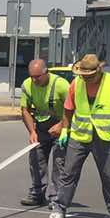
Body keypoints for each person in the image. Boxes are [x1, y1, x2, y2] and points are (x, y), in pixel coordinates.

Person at [50, 53, 110, 218]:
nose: (86, 79)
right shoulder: (76, 83)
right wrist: (64, 129)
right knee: (68, 173)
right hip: (80, 135)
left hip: (104, 137)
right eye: (83, 75)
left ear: (98, 71)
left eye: (89, 76)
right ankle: (60, 207)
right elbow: (69, 108)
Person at [18, 58, 69, 207]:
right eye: (31, 76)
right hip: (41, 127)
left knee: (60, 163)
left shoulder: (61, 85)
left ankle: (56, 198)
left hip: (61, 128)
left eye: (37, 77)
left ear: (46, 72)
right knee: (36, 159)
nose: (34, 80)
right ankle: (37, 194)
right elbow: (25, 110)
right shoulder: (27, 85)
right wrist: (32, 131)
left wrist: (61, 125)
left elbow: (72, 109)